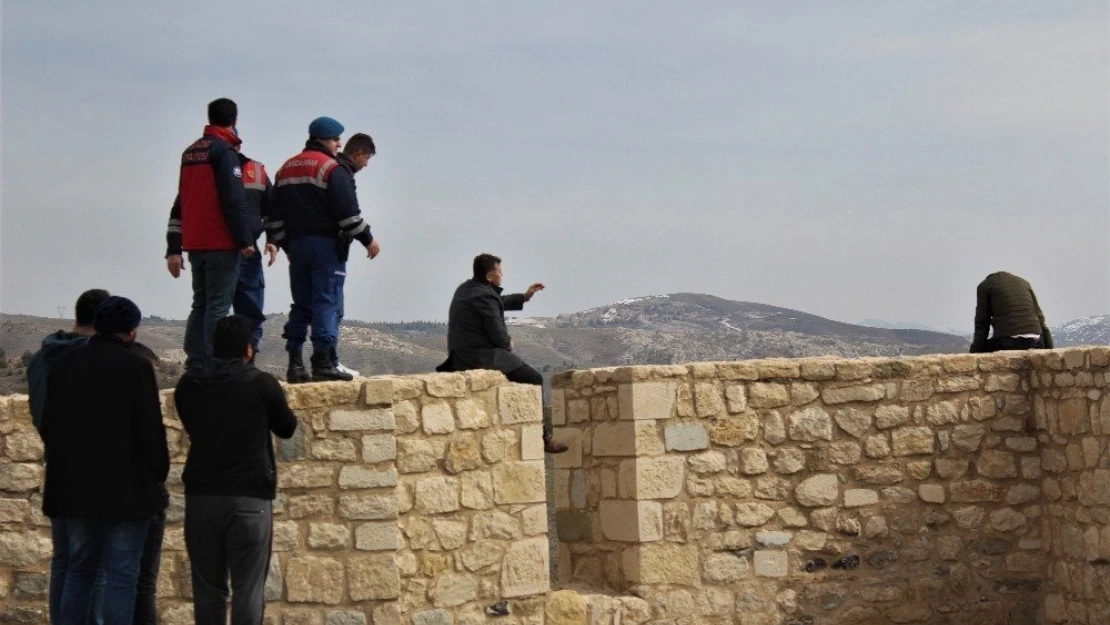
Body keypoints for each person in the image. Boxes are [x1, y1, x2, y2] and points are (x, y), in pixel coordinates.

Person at [41, 296, 169, 625]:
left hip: (73, 489)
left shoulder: (63, 364)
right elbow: (150, 433)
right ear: (132, 330)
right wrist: (157, 474)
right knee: (122, 576)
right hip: (126, 492)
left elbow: (51, 427)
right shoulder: (136, 366)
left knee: (78, 571)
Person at [174, 315, 298, 625]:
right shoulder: (260, 384)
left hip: (202, 496)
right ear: (248, 350)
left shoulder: (189, 384)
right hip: (249, 498)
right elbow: (287, 427)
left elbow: (191, 425)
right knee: (248, 588)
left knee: (208, 588)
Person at [271, 117, 380, 383]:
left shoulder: (285, 168)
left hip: (296, 246)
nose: (338, 145)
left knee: (301, 305)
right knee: (326, 301)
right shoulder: (332, 168)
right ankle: (324, 362)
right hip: (326, 247)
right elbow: (348, 215)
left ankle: (295, 363)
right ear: (324, 139)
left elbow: (273, 216)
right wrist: (368, 239)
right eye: (336, 140)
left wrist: (286, 244)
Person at [26, 288, 109, 623]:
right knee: (95, 563)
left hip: (57, 463)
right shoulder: (92, 358)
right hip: (92, 470)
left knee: (63, 560)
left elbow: (38, 410)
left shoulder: (41, 357)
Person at [438, 254, 567, 453]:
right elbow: (497, 333)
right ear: (490, 276)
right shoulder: (485, 295)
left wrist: (524, 297)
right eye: (499, 272)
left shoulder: (466, 289)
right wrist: (507, 343)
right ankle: (544, 437)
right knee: (533, 378)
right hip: (479, 357)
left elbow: (495, 301)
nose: (502, 274)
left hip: (459, 356)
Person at [165, 97, 256, 371]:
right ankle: (212, 364)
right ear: (235, 121)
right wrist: (244, 239)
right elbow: (233, 199)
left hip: (196, 243)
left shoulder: (191, 152)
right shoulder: (225, 152)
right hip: (220, 241)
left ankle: (195, 361)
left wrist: (174, 246)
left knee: (200, 304)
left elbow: (181, 200)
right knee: (217, 306)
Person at [233, 142, 280, 355]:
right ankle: (211, 364)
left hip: (249, 254)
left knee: (251, 312)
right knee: (213, 309)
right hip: (219, 251)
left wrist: (272, 240)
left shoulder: (257, 172)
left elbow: (272, 209)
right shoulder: (209, 171)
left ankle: (247, 361)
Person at [969, 271, 1054, 353]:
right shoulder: (1024, 283)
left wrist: (974, 352)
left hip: (1007, 342)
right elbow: (1040, 318)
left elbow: (982, 323)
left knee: (984, 348)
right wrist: (1050, 349)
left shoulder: (984, 286)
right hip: (1036, 341)